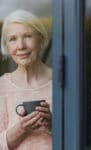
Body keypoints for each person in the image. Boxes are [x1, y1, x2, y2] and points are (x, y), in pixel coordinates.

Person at [0, 9, 52, 150]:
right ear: (7, 46)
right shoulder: (2, 86)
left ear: (40, 39)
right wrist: (21, 128)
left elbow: (79, 134)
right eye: (13, 39)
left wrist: (52, 124)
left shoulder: (61, 82)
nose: (21, 46)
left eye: (28, 36)